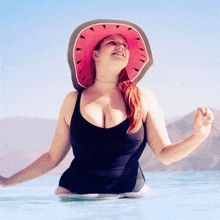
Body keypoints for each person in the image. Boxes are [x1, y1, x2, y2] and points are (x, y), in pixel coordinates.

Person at [0, 19, 214, 198]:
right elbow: (52, 158)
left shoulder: (143, 98)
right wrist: (7, 182)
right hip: (74, 197)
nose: (121, 46)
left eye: (124, 46)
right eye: (113, 42)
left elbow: (165, 155)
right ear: (95, 54)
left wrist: (198, 136)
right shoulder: (73, 100)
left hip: (129, 197)